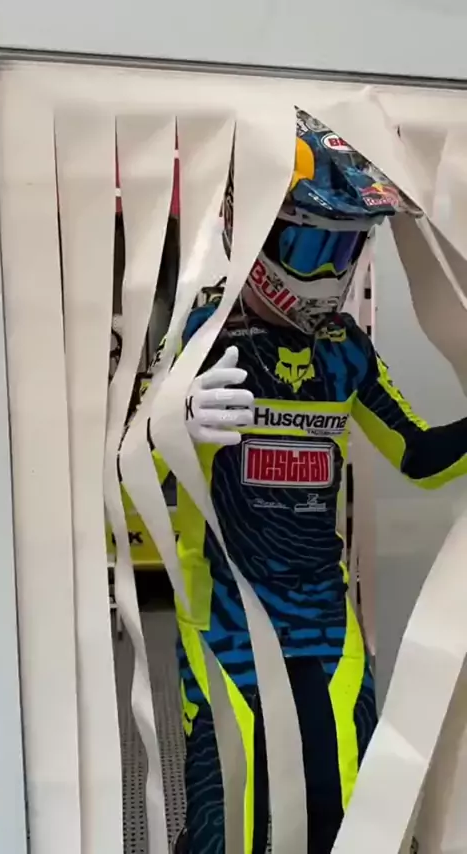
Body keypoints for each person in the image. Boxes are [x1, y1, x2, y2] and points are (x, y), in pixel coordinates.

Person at [145, 109, 467, 854]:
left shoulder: (345, 352)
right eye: (313, 245)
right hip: (226, 625)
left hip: (326, 626)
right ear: (255, 230)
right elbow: (121, 481)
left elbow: (419, 455)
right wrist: (171, 425)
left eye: (346, 248)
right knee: (230, 828)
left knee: (346, 818)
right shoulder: (200, 338)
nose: (328, 273)